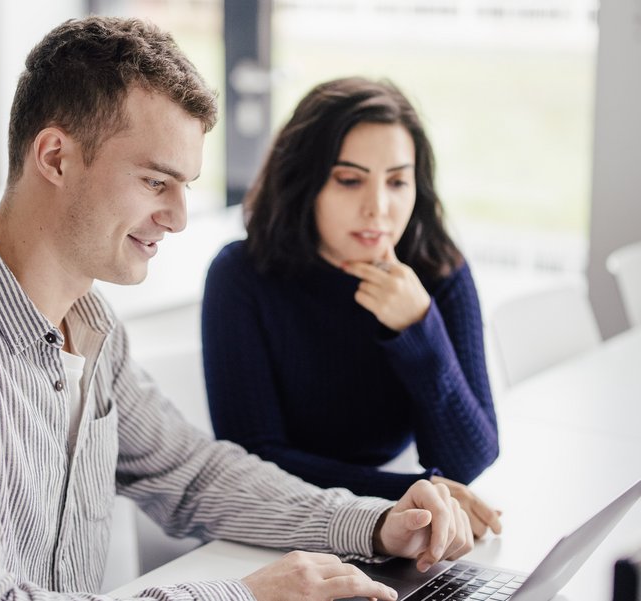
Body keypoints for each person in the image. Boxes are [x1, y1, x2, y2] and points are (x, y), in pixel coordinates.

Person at [0, 18, 473, 601]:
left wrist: (375, 523)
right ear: (55, 157)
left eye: (185, 187)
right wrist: (243, 596)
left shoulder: (91, 329)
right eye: (154, 182)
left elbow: (195, 475)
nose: (176, 218)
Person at [202, 77, 502, 539]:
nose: (378, 208)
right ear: (306, 183)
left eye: (398, 181)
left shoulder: (438, 270)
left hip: (396, 531)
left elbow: (470, 458)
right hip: (279, 528)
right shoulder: (242, 275)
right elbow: (256, 456)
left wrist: (419, 328)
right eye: (349, 180)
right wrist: (408, 495)